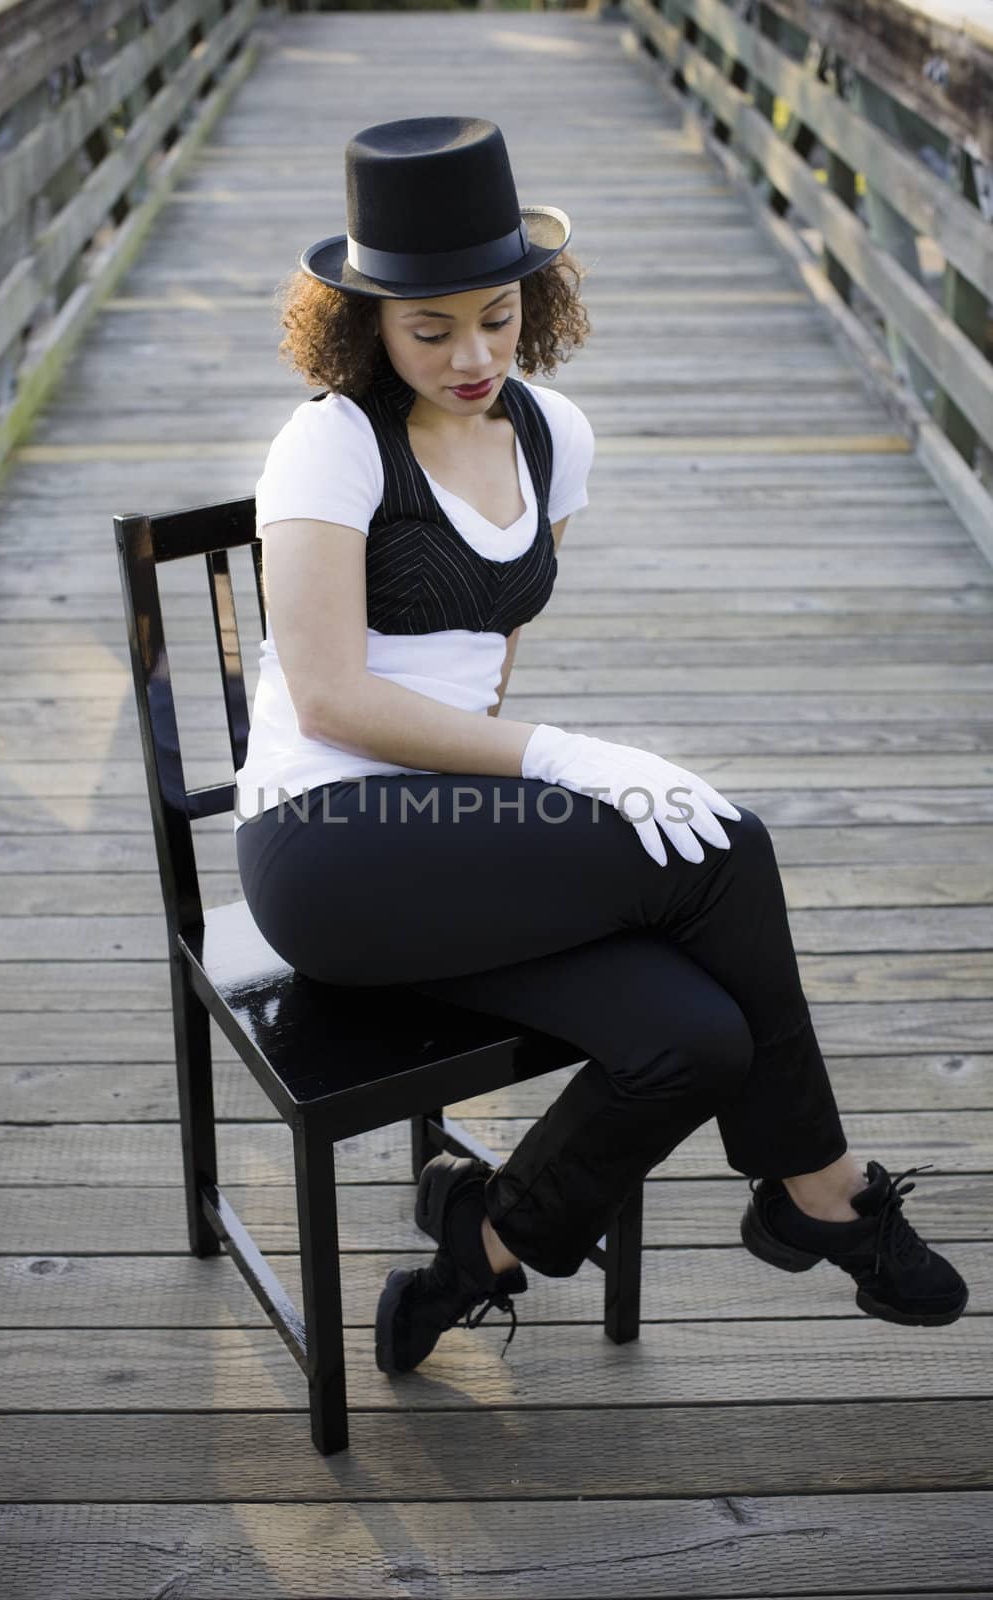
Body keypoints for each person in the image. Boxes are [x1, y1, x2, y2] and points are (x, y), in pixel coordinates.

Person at [233, 115, 968, 1377]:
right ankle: (817, 1187)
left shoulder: (551, 436)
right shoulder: (330, 443)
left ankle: (480, 1253)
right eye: (430, 329)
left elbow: (489, 649)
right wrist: (563, 761)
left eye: (498, 317)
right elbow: (332, 700)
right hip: (327, 846)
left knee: (696, 1040)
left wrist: (531, 803)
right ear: (365, 323)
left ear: (536, 297)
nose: (471, 355)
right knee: (722, 849)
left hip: (453, 849)